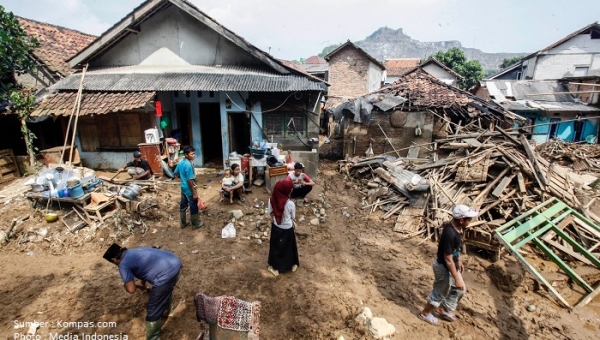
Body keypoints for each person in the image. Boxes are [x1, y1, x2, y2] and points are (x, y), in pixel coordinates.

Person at [103, 243, 182, 340]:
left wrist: (125, 285)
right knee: (164, 291)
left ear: (114, 260)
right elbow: (144, 267)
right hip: (175, 262)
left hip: (166, 273)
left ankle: (153, 337)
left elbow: (131, 289)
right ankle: (167, 311)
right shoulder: (134, 252)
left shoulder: (123, 264)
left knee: (153, 308)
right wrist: (143, 284)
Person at [418, 204, 479, 326]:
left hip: (451, 265)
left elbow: (454, 250)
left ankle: (442, 309)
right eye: (469, 219)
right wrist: (457, 278)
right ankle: (424, 314)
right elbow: (448, 258)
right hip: (443, 267)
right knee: (440, 292)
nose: (470, 221)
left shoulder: (457, 229)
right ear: (461, 220)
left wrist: (459, 260)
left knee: (460, 290)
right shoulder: (450, 233)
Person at [267, 179, 299, 277]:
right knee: (289, 247)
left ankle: (275, 269)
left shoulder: (271, 200)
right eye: (290, 189)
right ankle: (293, 265)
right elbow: (293, 216)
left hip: (277, 227)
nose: (291, 190)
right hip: (288, 229)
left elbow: (270, 213)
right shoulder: (290, 204)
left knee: (276, 247)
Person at [173, 146, 203, 229]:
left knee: (183, 205)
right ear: (186, 155)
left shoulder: (181, 162)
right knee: (193, 205)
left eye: (194, 153)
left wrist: (183, 178)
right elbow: (190, 180)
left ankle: (183, 223)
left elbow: (176, 173)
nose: (194, 155)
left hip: (183, 187)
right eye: (192, 154)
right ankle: (195, 224)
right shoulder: (188, 165)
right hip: (189, 188)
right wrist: (194, 193)